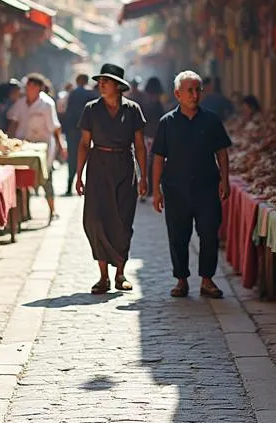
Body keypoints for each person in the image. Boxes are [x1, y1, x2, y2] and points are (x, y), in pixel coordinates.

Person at [152, 70, 232, 299]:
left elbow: (222, 153)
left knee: (209, 234)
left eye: (198, 90)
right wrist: (155, 190)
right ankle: (181, 280)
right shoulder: (167, 123)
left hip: (207, 188)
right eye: (189, 90)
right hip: (176, 190)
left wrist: (224, 180)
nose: (194, 95)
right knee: (178, 236)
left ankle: (207, 280)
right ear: (178, 94)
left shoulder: (211, 120)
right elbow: (158, 157)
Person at [75, 63, 147, 294]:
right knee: (95, 221)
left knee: (123, 221)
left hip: (124, 167)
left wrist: (143, 176)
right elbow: (84, 144)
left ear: (118, 86)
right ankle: (103, 276)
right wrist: (78, 175)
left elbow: (140, 145)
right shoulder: (91, 109)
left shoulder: (132, 109)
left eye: (106, 81)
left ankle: (120, 274)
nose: (101, 84)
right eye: (100, 81)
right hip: (98, 167)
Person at [7, 72, 64, 223]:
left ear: (39, 88)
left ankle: (52, 210)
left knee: (46, 178)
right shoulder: (20, 103)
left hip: (43, 146)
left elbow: (55, 127)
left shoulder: (47, 104)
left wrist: (61, 146)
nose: (29, 88)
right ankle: (25, 213)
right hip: (22, 145)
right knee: (22, 181)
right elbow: (14, 121)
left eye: (33, 86)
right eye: (28, 86)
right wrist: (7, 140)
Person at [62, 74, 94, 197]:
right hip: (87, 130)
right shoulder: (90, 94)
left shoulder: (73, 93)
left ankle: (70, 185)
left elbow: (68, 111)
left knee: (73, 158)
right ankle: (84, 184)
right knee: (87, 157)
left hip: (73, 130)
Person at [139, 77, 166, 199]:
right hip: (154, 136)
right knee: (153, 163)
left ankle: (148, 189)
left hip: (147, 136)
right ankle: (149, 188)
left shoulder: (144, 104)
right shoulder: (158, 105)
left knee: (148, 163)